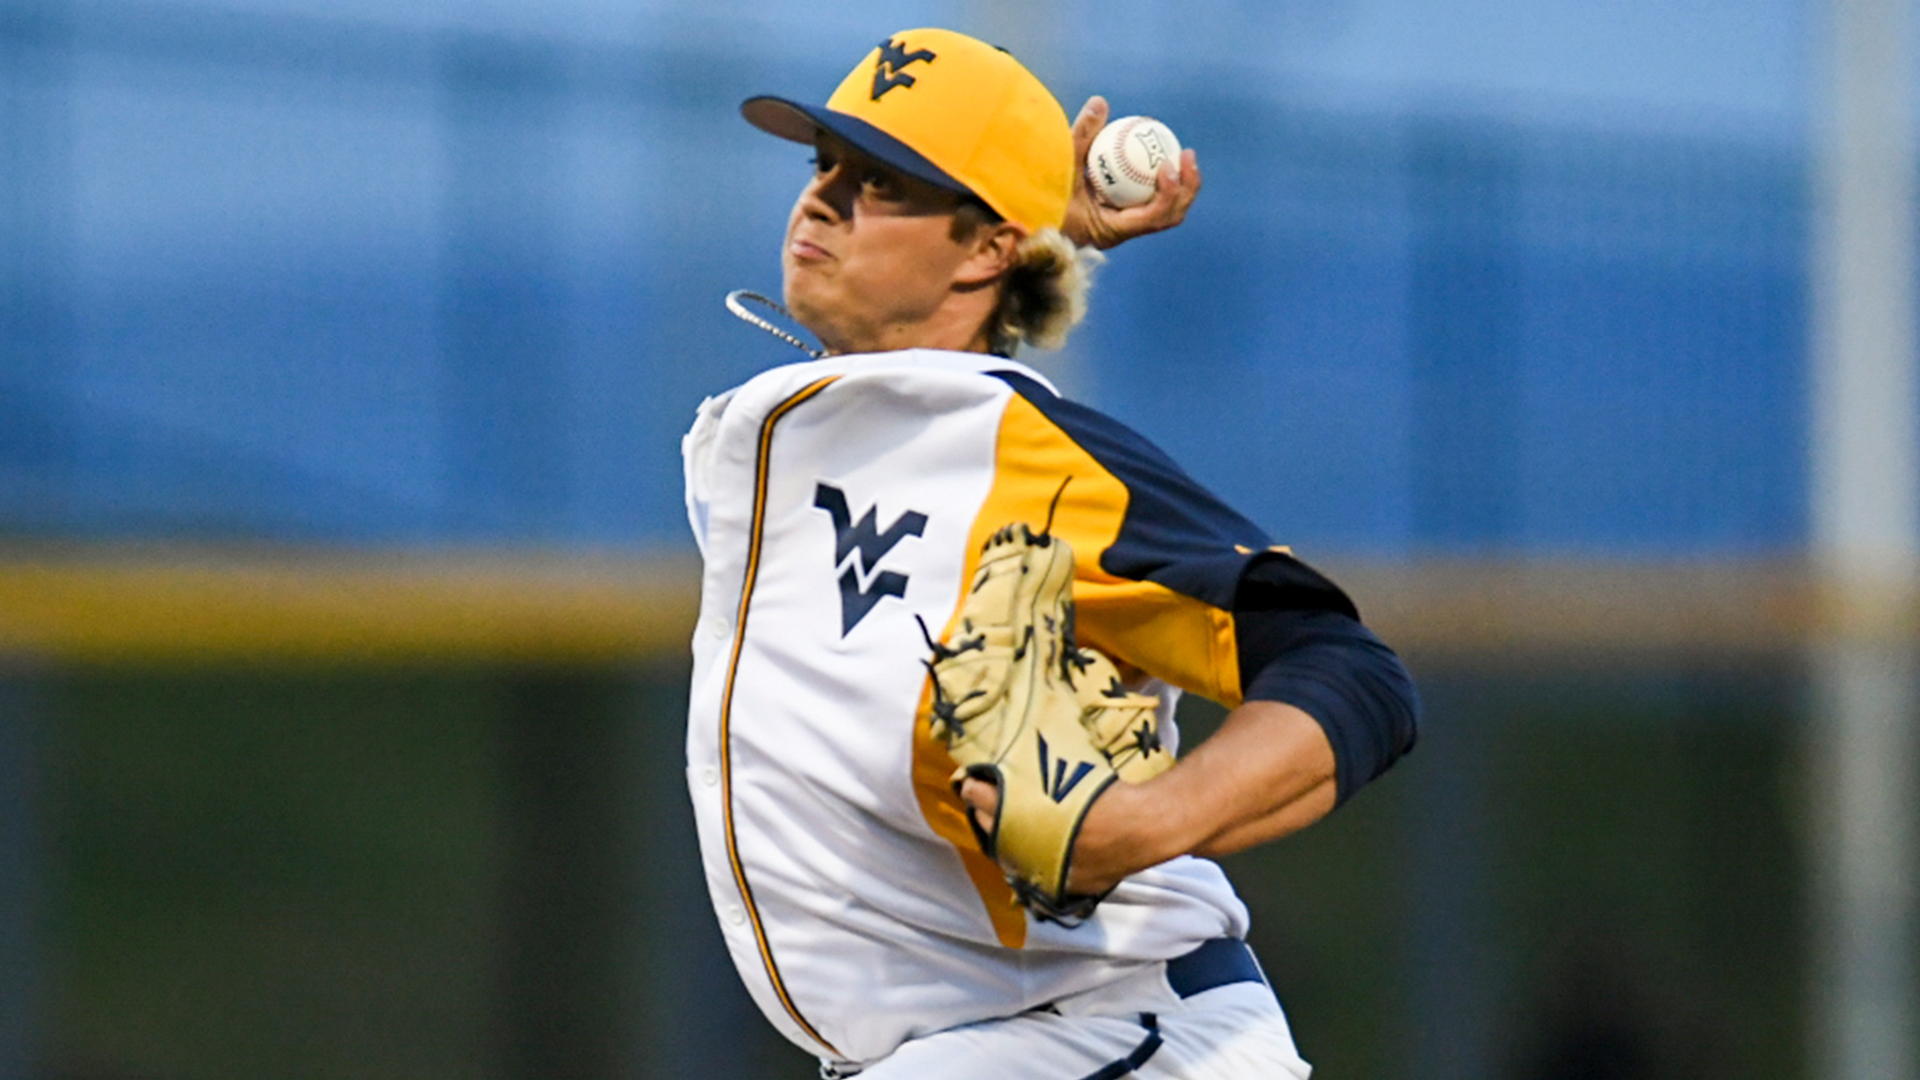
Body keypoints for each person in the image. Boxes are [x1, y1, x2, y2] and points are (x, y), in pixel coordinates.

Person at [680, 28, 1420, 1079]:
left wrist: (1150, 820)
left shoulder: (1032, 459)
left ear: (984, 247)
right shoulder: (808, 428)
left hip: (1104, 1034)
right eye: (824, 167)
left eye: (882, 183)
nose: (824, 200)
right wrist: (1035, 239)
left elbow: (1351, 671)